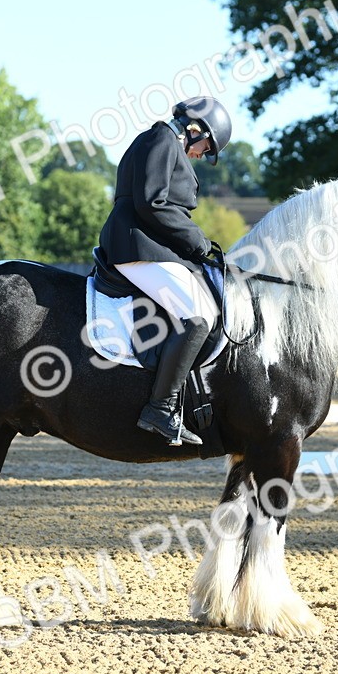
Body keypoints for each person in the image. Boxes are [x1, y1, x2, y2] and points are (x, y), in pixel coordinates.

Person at [98, 96, 233, 446]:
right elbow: (151, 203)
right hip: (137, 245)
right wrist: (198, 242)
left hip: (150, 244)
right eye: (207, 146)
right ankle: (161, 407)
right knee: (197, 318)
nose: (203, 154)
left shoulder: (165, 142)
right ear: (197, 129)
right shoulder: (161, 139)